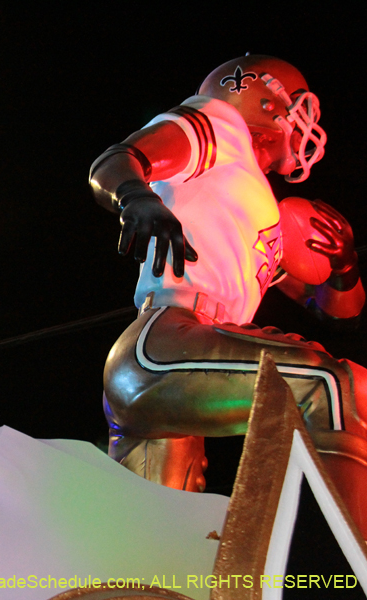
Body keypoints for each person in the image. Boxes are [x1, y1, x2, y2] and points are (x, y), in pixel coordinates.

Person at [88, 55, 366, 518]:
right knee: (331, 386)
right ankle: (352, 558)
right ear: (264, 98)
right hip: (166, 341)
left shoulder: (253, 209)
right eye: (296, 105)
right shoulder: (220, 127)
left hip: (185, 358)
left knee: (155, 541)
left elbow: (338, 312)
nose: (303, 122)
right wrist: (136, 196)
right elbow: (116, 161)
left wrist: (345, 267)